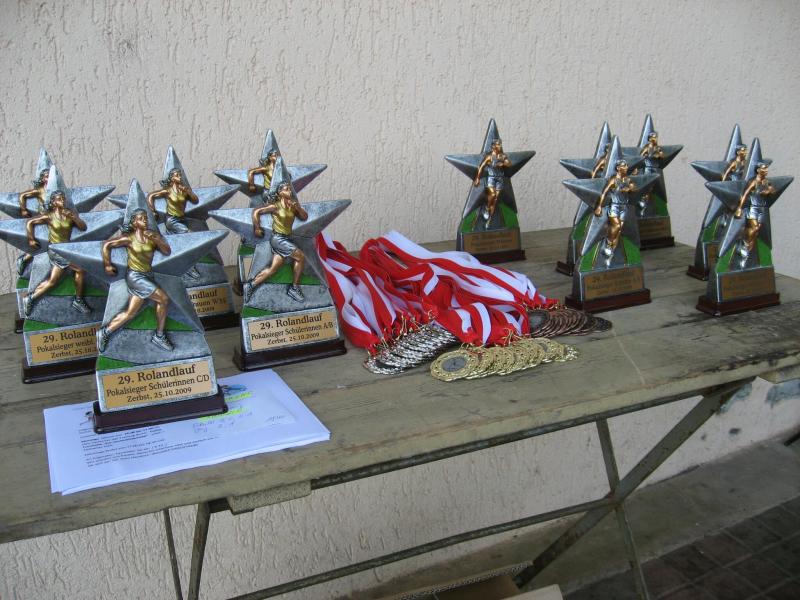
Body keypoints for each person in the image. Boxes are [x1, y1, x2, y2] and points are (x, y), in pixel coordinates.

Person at [96, 209, 174, 352]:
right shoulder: (129, 238)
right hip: (135, 277)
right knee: (163, 299)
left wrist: (157, 240)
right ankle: (159, 335)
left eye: (145, 218)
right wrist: (107, 264)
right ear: (134, 222)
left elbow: (167, 251)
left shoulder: (153, 236)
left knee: (130, 313)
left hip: (147, 275)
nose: (145, 220)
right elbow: (107, 245)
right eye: (141, 218)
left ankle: (105, 332)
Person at [23, 190, 90, 317]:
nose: (62, 201)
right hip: (56, 251)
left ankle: (31, 297)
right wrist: (31, 239)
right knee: (79, 270)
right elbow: (30, 222)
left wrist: (74, 218)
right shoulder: (49, 216)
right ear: (53, 202)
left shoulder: (69, 214)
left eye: (63, 198)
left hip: (66, 250)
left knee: (53, 281)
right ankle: (78, 300)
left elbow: (83, 227)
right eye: (59, 199)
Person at [242, 181, 308, 304]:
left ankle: (251, 285)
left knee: (273, 269)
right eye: (286, 189)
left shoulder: (292, 205)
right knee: (300, 257)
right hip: (278, 239)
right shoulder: (275, 206)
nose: (289, 191)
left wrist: (298, 208)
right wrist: (257, 227)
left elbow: (304, 217)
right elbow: (256, 212)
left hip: (286, 239)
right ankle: (294, 288)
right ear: (280, 192)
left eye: (290, 189)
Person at [147, 168, 200, 278]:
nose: (179, 177)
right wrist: (152, 210)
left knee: (180, 245)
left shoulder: (183, 190)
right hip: (172, 220)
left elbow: (195, 200)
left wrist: (189, 191)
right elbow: (150, 196)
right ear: (172, 178)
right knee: (191, 236)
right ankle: (189, 268)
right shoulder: (168, 190)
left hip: (182, 219)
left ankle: (187, 267)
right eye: (177, 175)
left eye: (180, 175)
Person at [594, 160, 638, 261]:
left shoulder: (627, 179)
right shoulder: (613, 180)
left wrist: (630, 188)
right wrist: (599, 206)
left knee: (619, 231)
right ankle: (608, 243)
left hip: (624, 207)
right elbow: (604, 192)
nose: (626, 167)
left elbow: (635, 188)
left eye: (627, 165)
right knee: (616, 226)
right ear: (618, 168)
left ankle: (610, 254)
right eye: (624, 166)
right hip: (615, 207)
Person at [733, 162, 775, 263]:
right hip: (753, 208)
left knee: (756, 231)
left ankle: (747, 251)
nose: (766, 171)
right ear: (758, 170)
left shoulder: (766, 182)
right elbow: (745, 194)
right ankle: (744, 242)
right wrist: (739, 208)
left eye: (766, 169)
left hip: (761, 208)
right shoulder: (754, 182)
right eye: (764, 169)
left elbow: (773, 190)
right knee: (755, 228)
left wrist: (769, 191)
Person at [15, 168, 50, 275]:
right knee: (44, 244)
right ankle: (24, 259)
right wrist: (23, 209)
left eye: (51, 176)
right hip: (43, 219)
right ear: (43, 179)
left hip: (54, 219)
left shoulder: (56, 190)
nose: (49, 178)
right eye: (47, 176)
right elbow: (22, 195)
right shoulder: (40, 190)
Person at [473, 138, 511, 226]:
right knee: (492, 195)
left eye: (500, 144)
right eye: (498, 144)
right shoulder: (489, 157)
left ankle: (489, 219)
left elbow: (509, 163)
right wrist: (477, 178)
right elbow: (481, 167)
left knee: (496, 199)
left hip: (499, 179)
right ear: (493, 146)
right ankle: (486, 208)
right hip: (491, 178)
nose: (500, 146)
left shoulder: (502, 156)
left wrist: (503, 163)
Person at [637, 132, 665, 211]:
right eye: (653, 138)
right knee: (647, 185)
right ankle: (642, 202)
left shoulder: (657, 148)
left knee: (656, 187)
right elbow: (640, 157)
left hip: (655, 168)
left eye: (655, 137)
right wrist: (650, 156)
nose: (654, 139)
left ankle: (656, 205)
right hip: (648, 168)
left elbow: (662, 156)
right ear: (649, 139)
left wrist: (659, 154)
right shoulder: (647, 148)